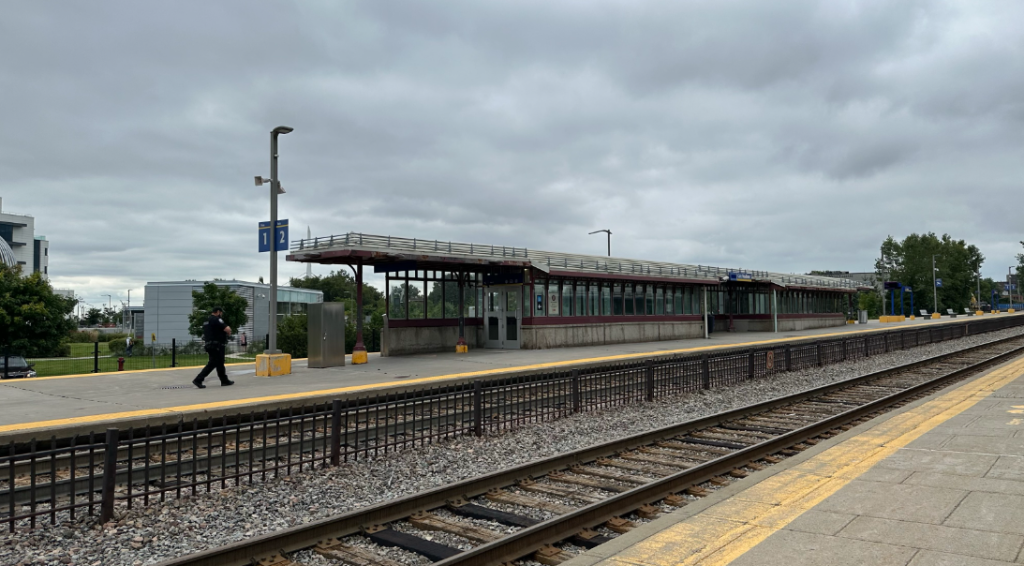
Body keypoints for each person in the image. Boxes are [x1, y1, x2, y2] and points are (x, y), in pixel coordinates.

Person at [192, 306, 234, 388]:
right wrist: (228, 333)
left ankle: (224, 380)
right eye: (221, 313)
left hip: (209, 345)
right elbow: (227, 329)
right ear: (218, 312)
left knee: (220, 363)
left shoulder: (206, 321)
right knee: (213, 363)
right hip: (217, 345)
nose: (221, 315)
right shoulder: (216, 319)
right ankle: (198, 379)